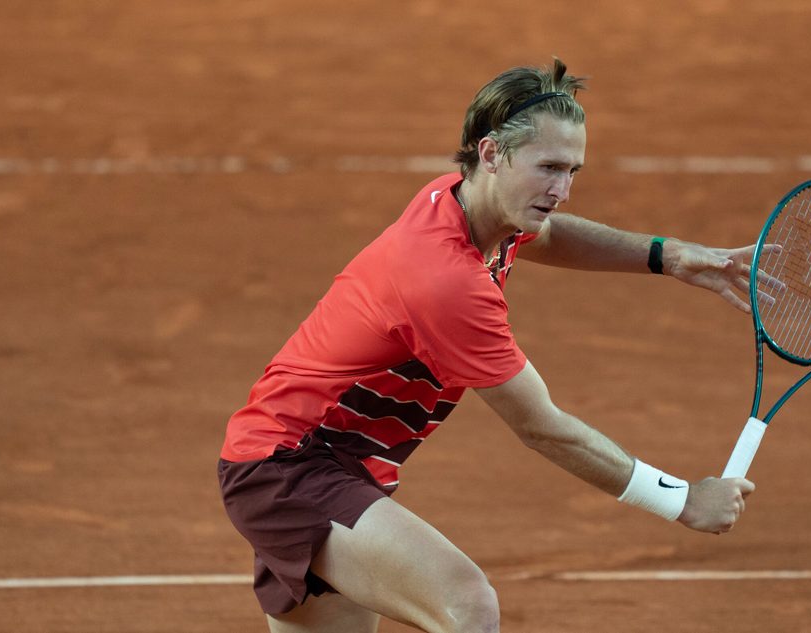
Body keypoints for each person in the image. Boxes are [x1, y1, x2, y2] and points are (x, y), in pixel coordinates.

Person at [218, 58, 773, 633]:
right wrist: (682, 501)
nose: (562, 190)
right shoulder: (445, 281)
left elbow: (548, 234)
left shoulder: (462, 204)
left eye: (574, 169)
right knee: (468, 607)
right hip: (289, 465)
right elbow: (543, 428)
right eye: (549, 168)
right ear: (491, 154)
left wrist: (668, 255)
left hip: (337, 465)